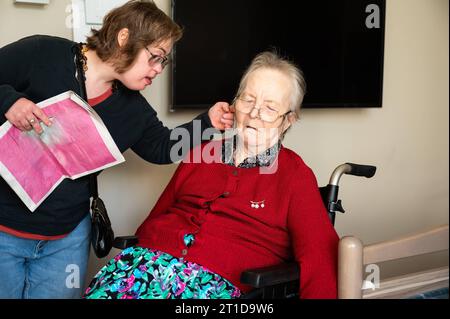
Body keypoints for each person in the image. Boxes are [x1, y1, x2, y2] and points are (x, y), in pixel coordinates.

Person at [0, 0, 234, 299]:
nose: (159, 69)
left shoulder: (132, 108)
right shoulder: (42, 53)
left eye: (164, 62)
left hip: (66, 239)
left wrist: (208, 123)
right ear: (124, 38)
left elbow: (162, 148)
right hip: (4, 230)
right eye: (155, 57)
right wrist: (9, 101)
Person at [84, 51, 339, 299]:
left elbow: (320, 256)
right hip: (144, 268)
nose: (254, 113)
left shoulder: (294, 175)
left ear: (288, 120)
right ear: (235, 103)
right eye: (248, 100)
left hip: (215, 284)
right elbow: (158, 215)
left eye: (270, 108)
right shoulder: (202, 153)